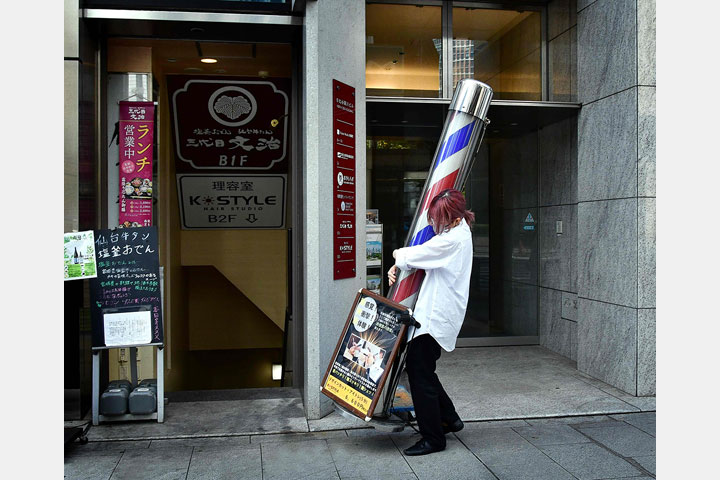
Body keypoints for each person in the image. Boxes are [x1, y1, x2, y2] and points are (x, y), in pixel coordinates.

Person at [387, 188, 474, 456]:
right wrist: (403, 263)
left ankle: (433, 438)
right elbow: (424, 255)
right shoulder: (458, 233)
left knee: (419, 375)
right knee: (424, 372)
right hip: (436, 316)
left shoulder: (451, 240)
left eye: (438, 218)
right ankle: (449, 418)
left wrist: (396, 259)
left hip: (435, 318)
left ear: (451, 216)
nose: (434, 223)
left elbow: (413, 254)